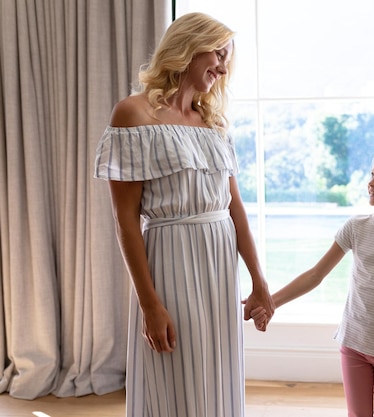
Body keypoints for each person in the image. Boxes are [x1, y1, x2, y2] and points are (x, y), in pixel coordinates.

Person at [93, 12, 275, 417]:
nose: (223, 67)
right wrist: (149, 305)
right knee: (172, 372)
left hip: (218, 262)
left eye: (227, 58)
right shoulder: (133, 114)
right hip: (170, 261)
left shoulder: (213, 123)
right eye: (217, 53)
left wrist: (259, 281)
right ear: (187, 47)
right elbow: (125, 221)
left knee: (217, 373)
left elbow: (235, 209)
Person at [250, 147, 374, 417]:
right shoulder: (356, 227)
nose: (371, 182)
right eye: (372, 174)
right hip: (353, 343)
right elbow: (316, 274)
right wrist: (271, 303)